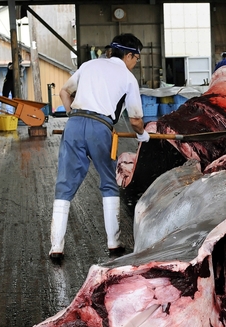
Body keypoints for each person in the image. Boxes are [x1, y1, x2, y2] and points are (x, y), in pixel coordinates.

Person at [49, 33, 150, 261]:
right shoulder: (127, 77)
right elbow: (135, 120)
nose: (135, 64)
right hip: (101, 128)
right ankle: (114, 244)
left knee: (65, 183)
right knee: (108, 180)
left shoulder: (88, 65)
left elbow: (64, 91)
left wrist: (71, 113)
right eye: (136, 59)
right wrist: (143, 137)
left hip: (74, 124)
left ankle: (56, 247)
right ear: (130, 55)